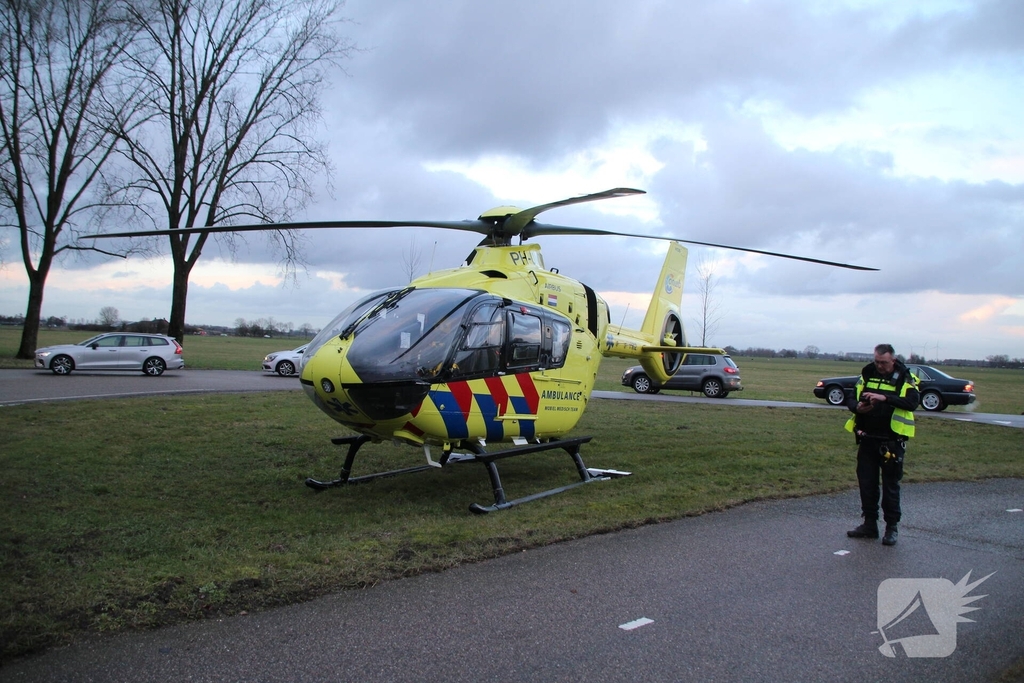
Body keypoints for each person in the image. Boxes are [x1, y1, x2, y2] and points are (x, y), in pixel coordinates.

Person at [844, 343, 919, 546]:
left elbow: (912, 402)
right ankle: (869, 525)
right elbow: (851, 396)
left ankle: (891, 528)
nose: (879, 366)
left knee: (890, 486)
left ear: (892, 360)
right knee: (867, 484)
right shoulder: (867, 373)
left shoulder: (904, 376)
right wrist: (857, 407)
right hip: (867, 438)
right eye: (877, 361)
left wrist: (884, 398)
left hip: (891, 442)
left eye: (883, 363)